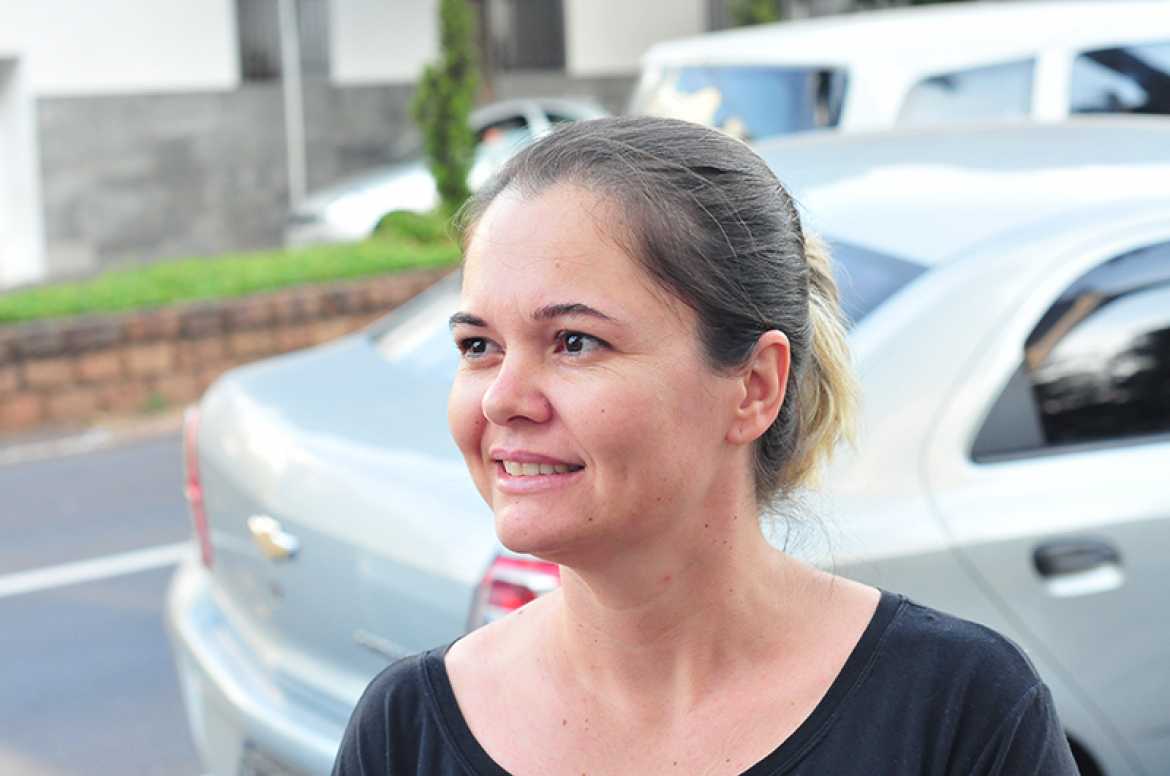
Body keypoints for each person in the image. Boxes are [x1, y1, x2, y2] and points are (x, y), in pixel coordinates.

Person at [333, 116, 1079, 775]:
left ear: (754, 386)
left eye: (574, 341)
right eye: (478, 346)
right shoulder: (407, 731)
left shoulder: (956, 711)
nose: (502, 399)